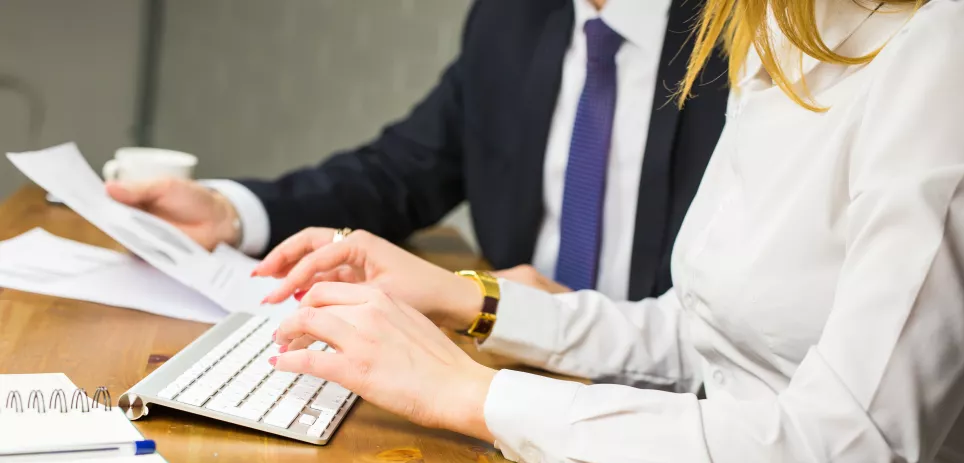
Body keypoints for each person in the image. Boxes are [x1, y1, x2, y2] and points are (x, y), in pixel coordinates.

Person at [258, 0, 964, 463]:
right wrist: (469, 301)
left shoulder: (953, 48)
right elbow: (698, 332)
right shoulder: (780, 29)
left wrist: (474, 396)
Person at [106, 0, 727, 301]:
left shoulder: (754, 49)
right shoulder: (514, 19)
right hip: (512, 371)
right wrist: (231, 212)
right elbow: (400, 170)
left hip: (678, 415)